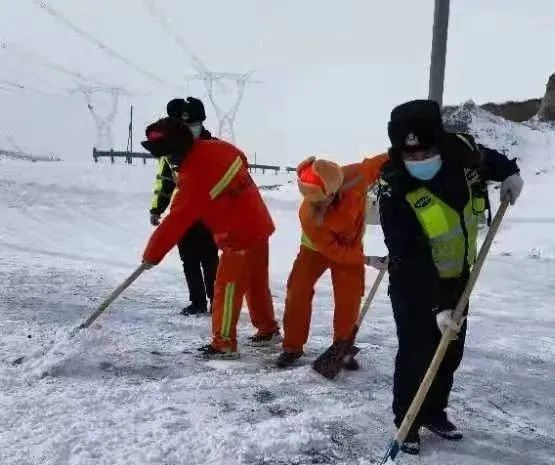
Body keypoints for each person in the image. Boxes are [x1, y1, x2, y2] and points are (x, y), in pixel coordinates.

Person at [377, 99, 524, 455]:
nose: (417, 161)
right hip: (415, 284)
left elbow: (491, 159)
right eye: (408, 155)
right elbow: (408, 254)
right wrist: (439, 305)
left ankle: (433, 411)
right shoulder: (393, 184)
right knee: (417, 351)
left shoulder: (461, 151)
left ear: (438, 142)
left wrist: (509, 174)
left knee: (450, 351)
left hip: (459, 276)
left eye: (424, 152)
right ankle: (407, 422)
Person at [140, 116, 280, 360]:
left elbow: (176, 221)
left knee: (227, 288)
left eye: (168, 155)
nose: (168, 161)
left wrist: (151, 255)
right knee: (256, 282)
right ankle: (267, 330)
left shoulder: (194, 174)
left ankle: (224, 343)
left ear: (177, 151)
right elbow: (241, 158)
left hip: (239, 235)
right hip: (258, 222)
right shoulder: (217, 146)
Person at [276, 153, 389, 368]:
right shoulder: (309, 215)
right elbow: (336, 252)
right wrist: (368, 260)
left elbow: (386, 160)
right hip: (315, 248)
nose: (320, 204)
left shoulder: (356, 176)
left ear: (334, 188)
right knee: (297, 291)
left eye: (324, 198)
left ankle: (342, 347)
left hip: (351, 244)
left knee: (350, 297)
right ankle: (292, 347)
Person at [149, 97, 219, 316]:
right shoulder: (171, 151)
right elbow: (164, 183)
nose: (189, 130)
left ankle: (217, 300)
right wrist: (156, 209)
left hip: (210, 215)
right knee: (189, 259)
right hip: (184, 215)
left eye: (193, 125)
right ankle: (197, 301)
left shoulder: (214, 147)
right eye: (184, 126)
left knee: (210, 259)